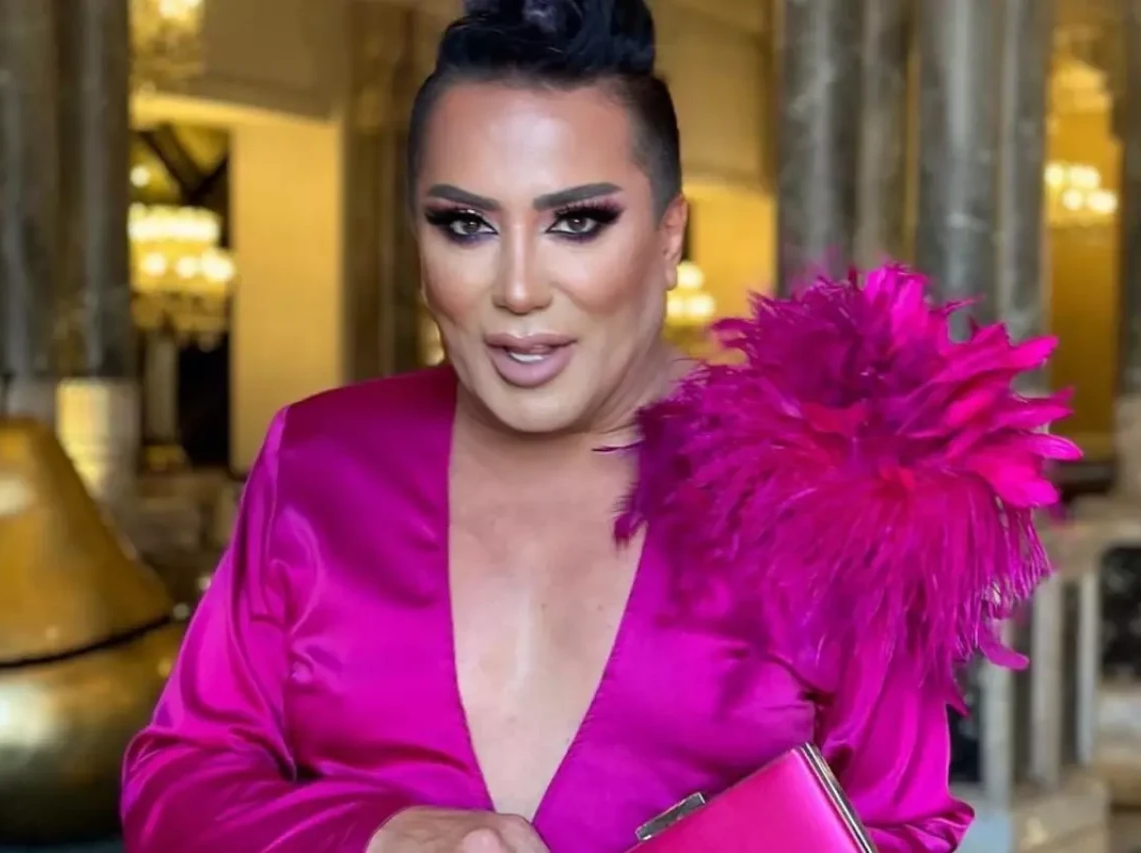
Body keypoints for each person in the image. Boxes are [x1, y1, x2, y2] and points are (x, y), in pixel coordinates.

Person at [121, 1, 1073, 851]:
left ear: (668, 234)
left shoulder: (827, 490)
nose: (518, 288)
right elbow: (179, 781)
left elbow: (902, 828)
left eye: (577, 222)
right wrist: (376, 836)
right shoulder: (322, 462)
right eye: (466, 224)